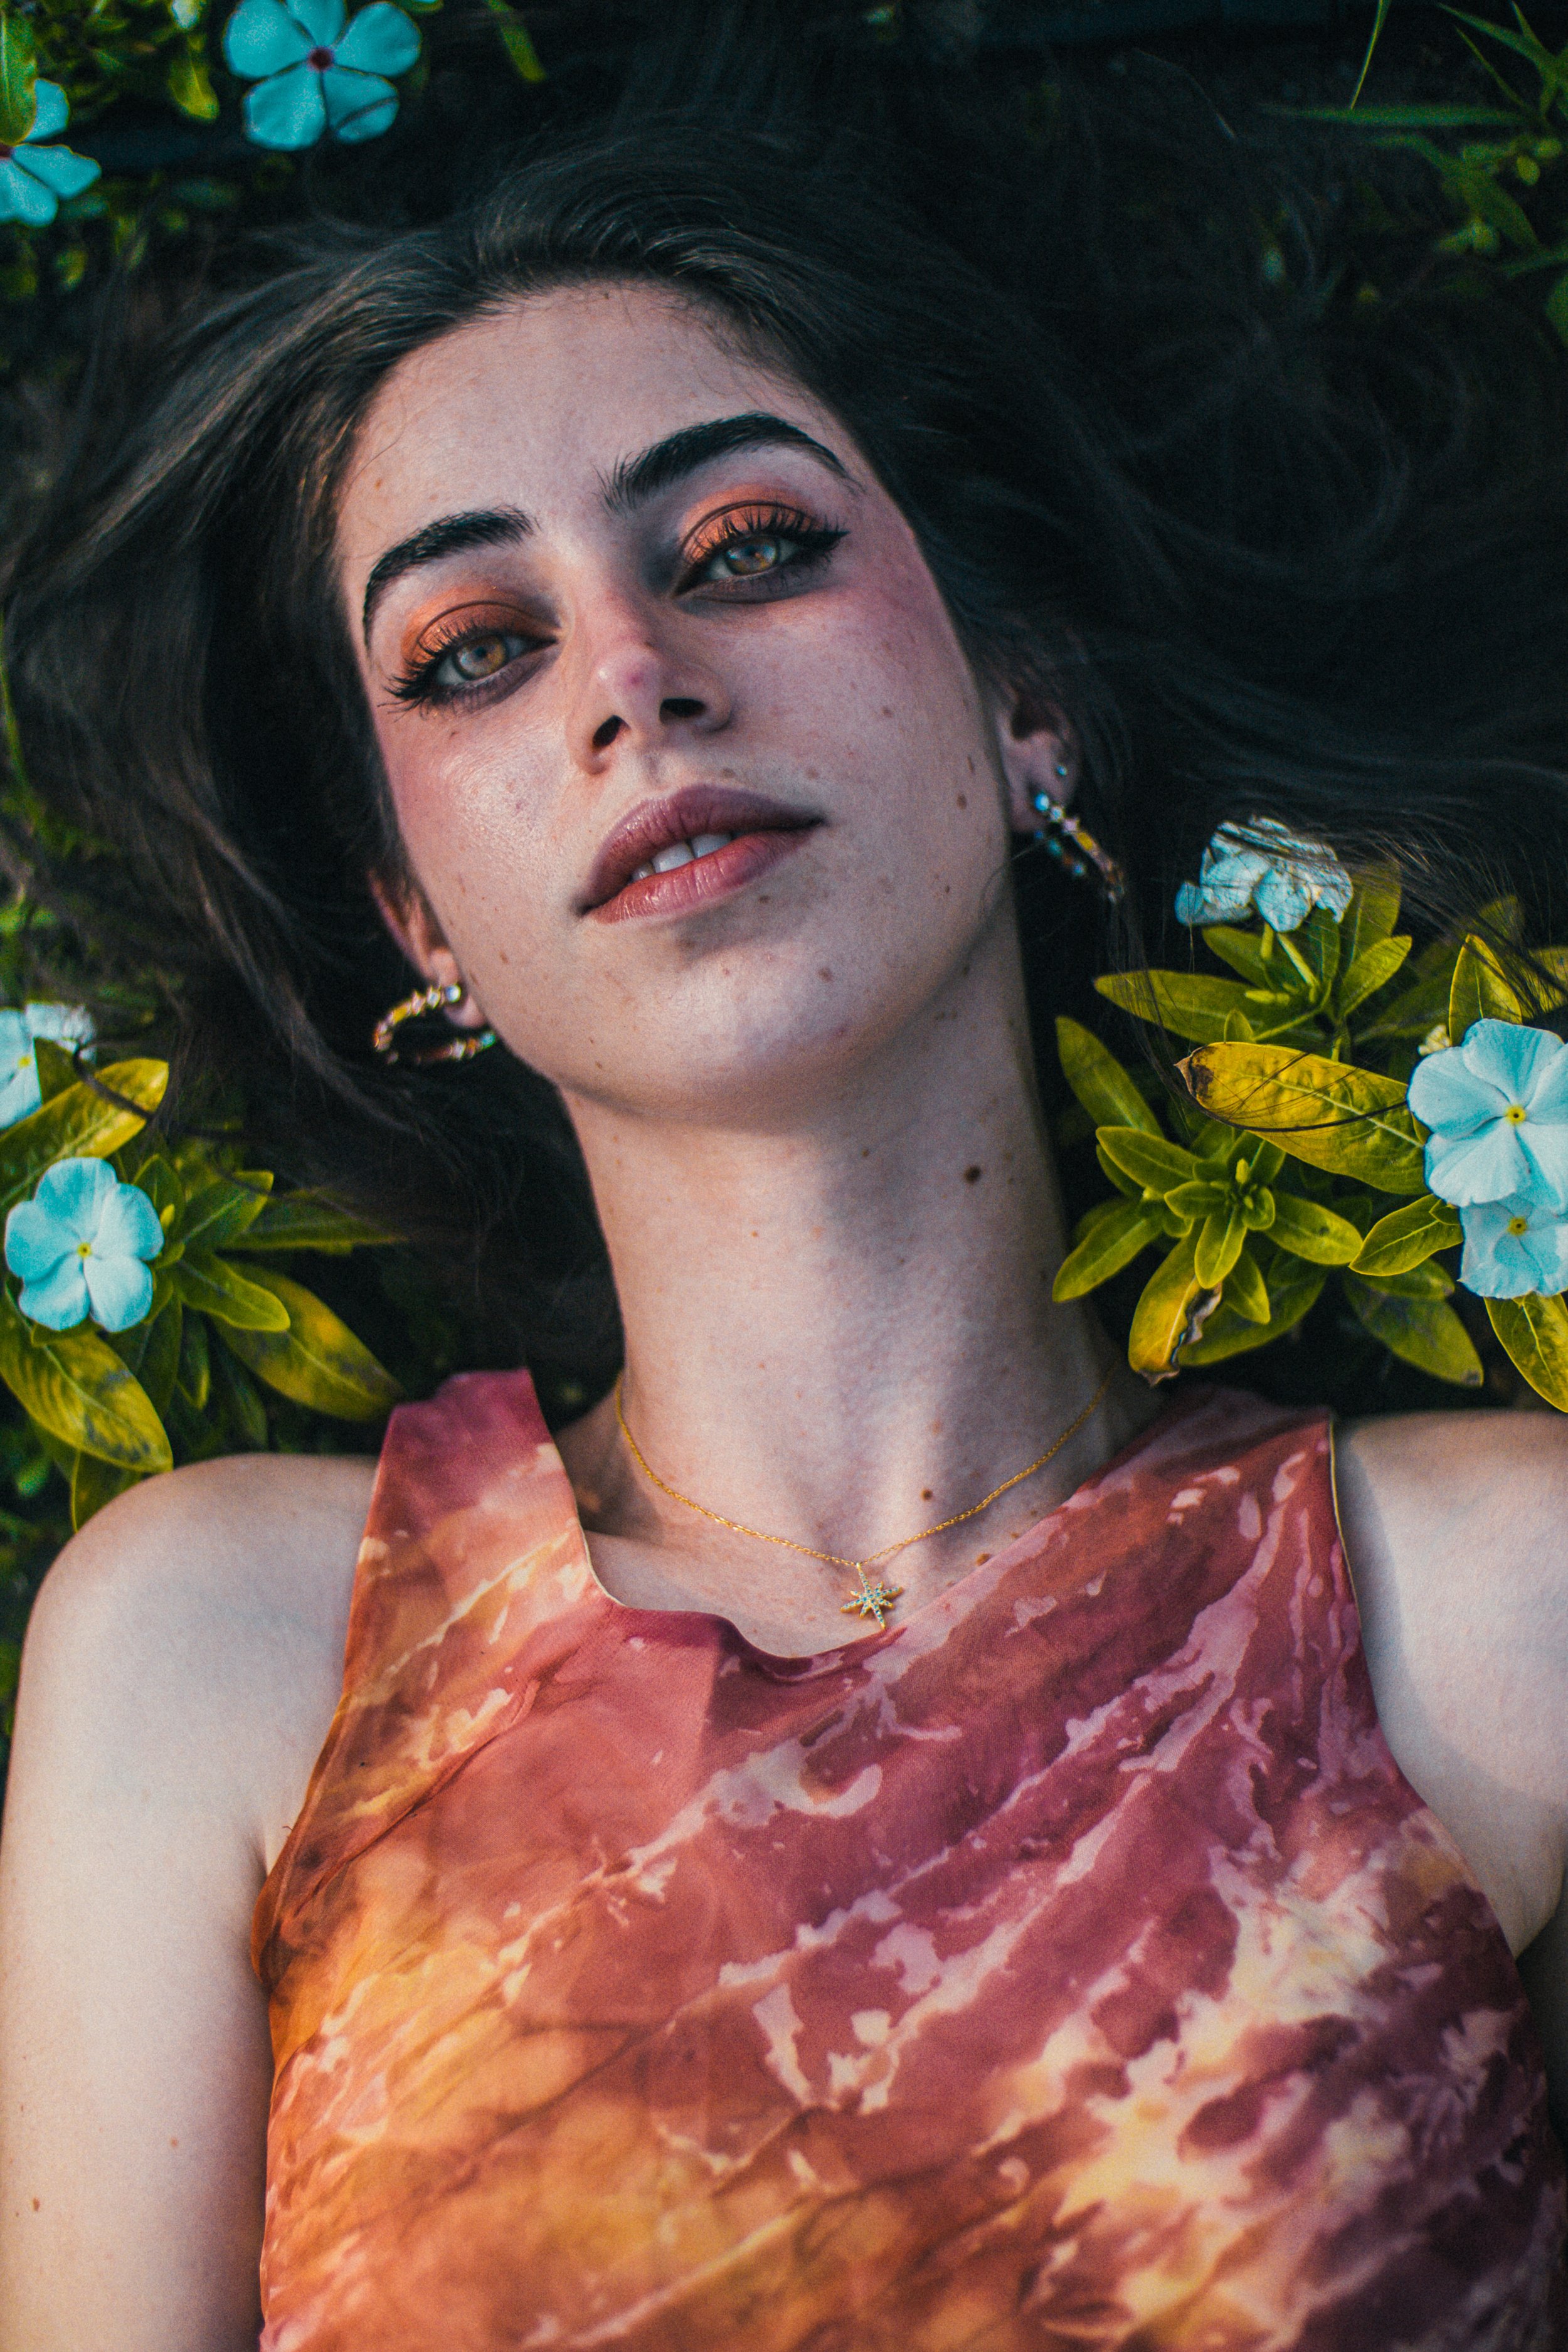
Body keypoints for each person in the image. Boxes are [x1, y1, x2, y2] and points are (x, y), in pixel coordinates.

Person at [0, 25, 1564, 2347]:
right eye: (475, 652)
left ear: (1023, 695)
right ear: (414, 915)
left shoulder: (1494, 1608)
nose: (630, 679)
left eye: (747, 546)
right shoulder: (224, 1657)